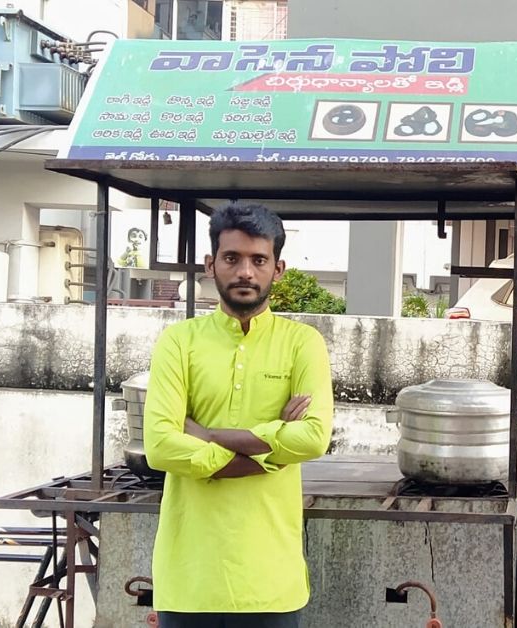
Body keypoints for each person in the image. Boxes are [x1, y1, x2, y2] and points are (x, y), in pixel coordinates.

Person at [143, 203, 334, 628]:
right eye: (232, 258)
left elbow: (314, 438)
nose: (245, 272)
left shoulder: (303, 344)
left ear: (278, 269)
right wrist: (268, 454)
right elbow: (160, 446)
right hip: (189, 580)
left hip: (271, 582)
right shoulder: (179, 343)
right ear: (211, 265)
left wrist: (207, 435)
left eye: (258, 260)